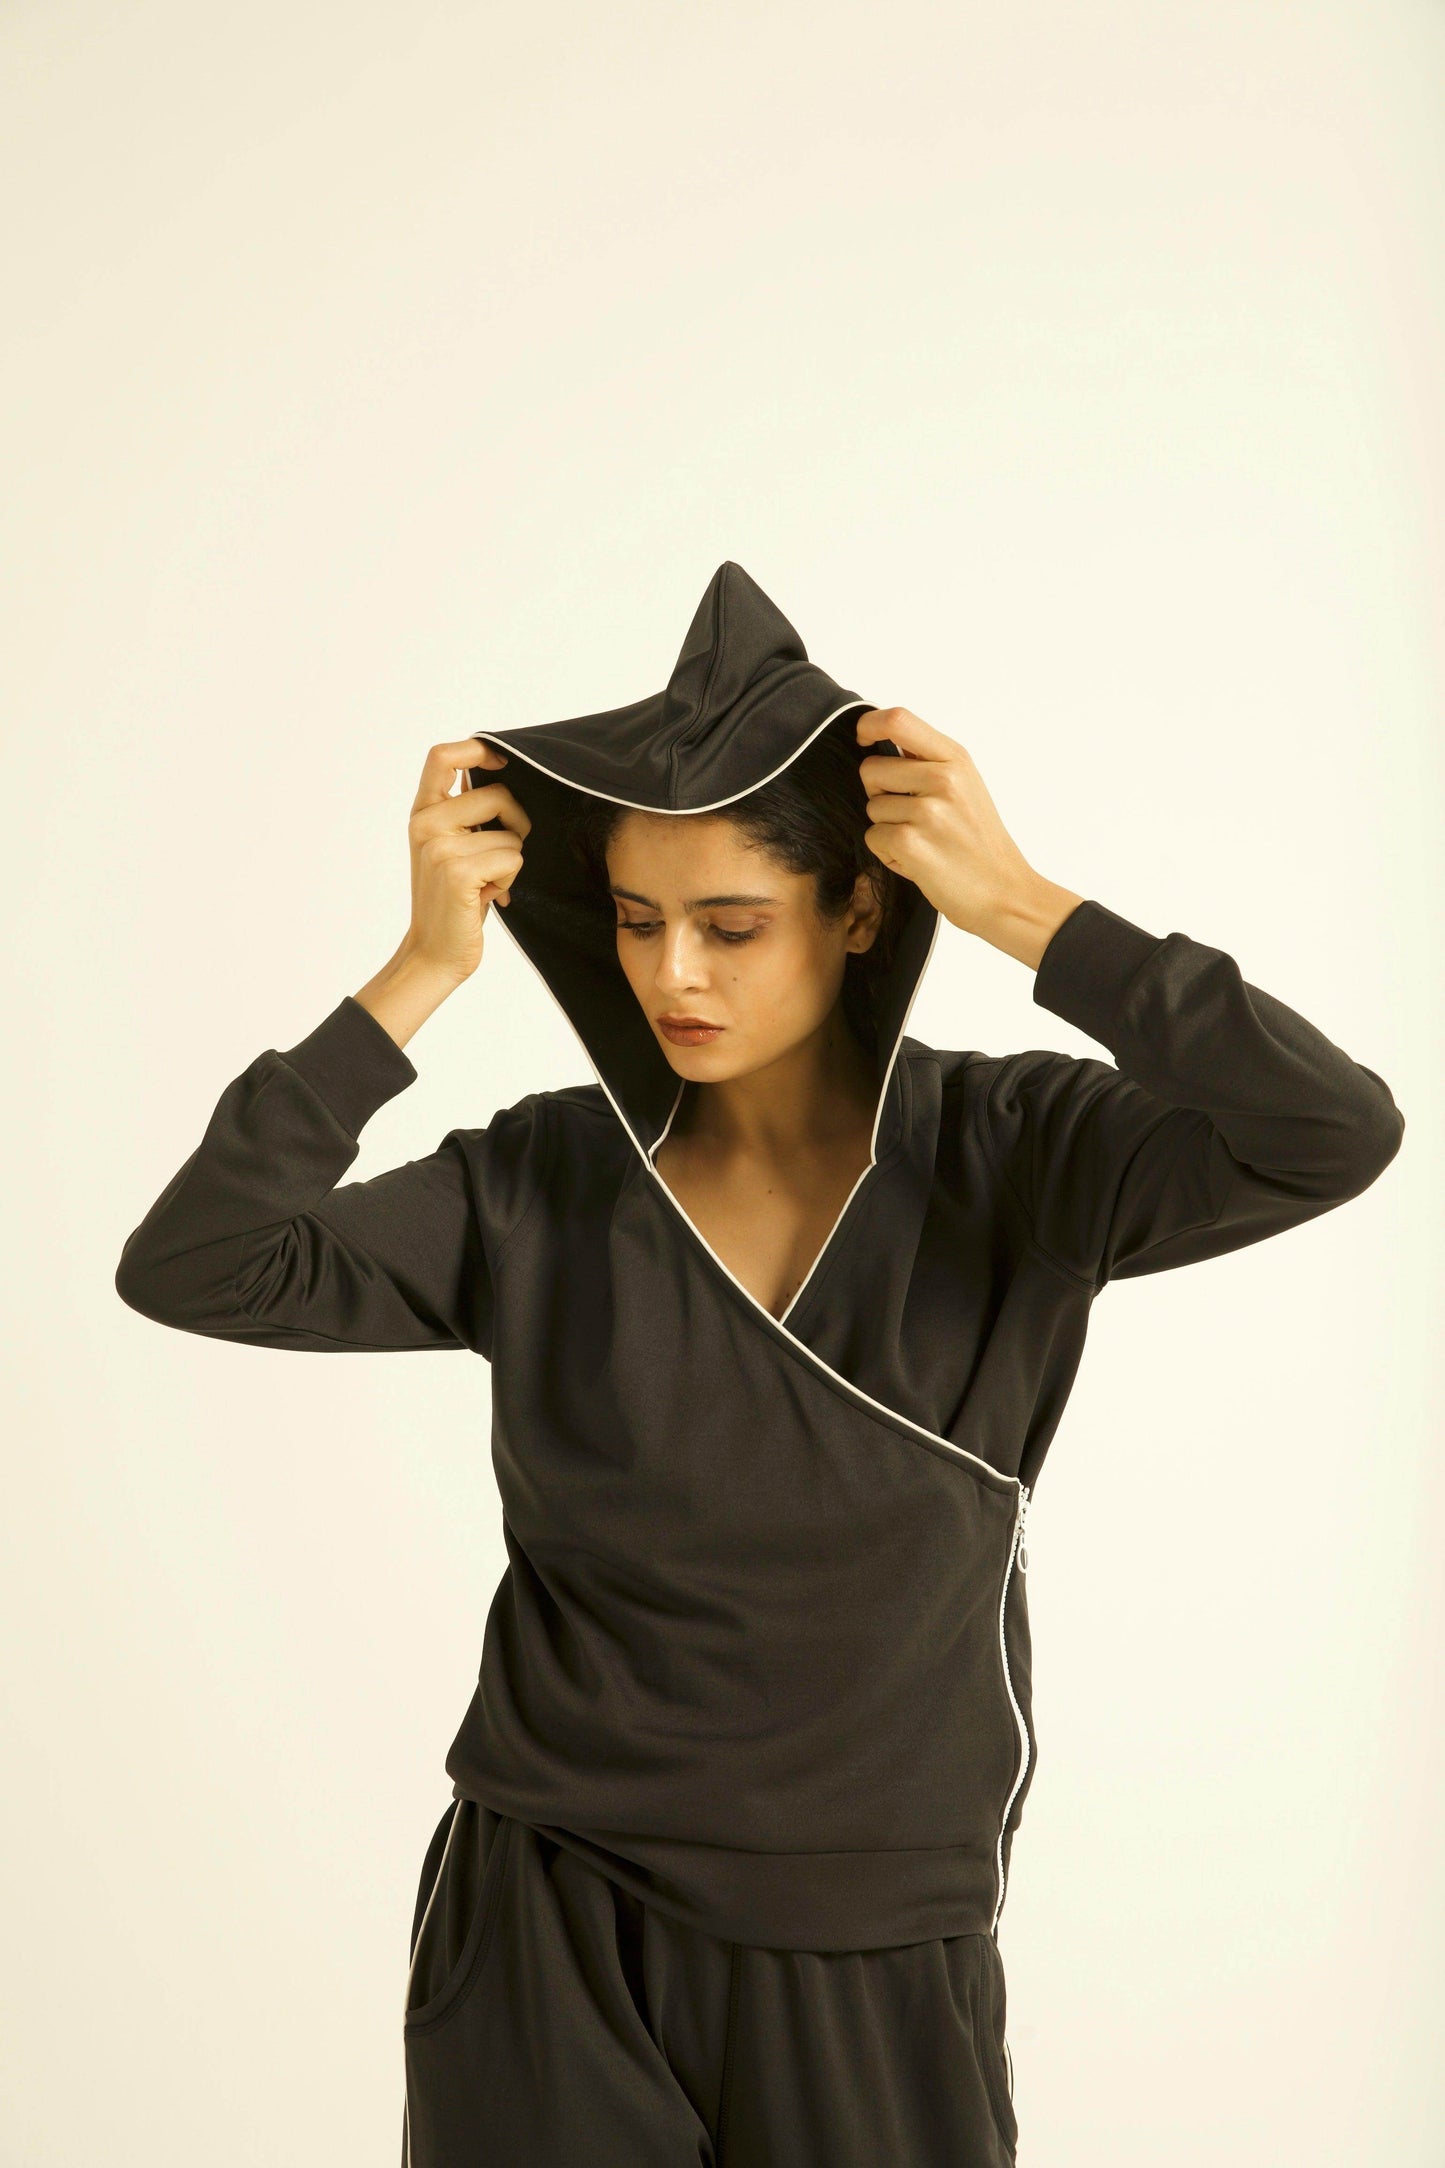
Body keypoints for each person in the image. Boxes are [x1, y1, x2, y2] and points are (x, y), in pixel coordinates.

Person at [115, 562, 1406, 2167]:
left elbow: (1328, 1132)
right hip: (545, 1923)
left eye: (731, 927)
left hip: (873, 1935)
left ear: (858, 911)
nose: (674, 975)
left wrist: (1020, 907)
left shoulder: (1014, 1149)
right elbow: (199, 1263)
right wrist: (420, 971)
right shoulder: (539, 1180)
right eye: (636, 922)